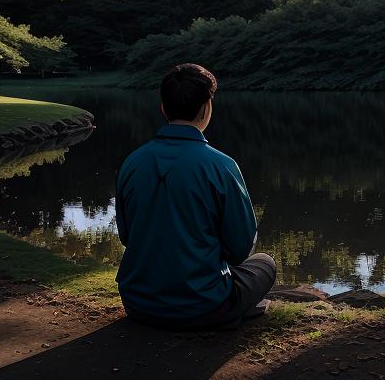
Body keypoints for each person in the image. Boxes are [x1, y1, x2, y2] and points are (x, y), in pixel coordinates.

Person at [114, 63, 276, 329]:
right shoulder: (221, 165)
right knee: (265, 263)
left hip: (137, 304)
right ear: (207, 107)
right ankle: (231, 311)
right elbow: (240, 249)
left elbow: (127, 236)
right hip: (201, 305)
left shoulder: (132, 162)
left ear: (163, 108)